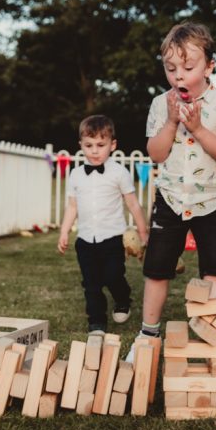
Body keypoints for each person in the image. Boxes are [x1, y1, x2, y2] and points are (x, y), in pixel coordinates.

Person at [137, 22, 216, 341]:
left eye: (187, 66)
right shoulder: (161, 105)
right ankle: (148, 333)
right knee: (156, 269)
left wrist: (198, 129)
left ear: (210, 66)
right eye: (170, 68)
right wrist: (172, 122)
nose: (178, 76)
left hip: (213, 203)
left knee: (215, 271)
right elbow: (155, 152)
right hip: (170, 200)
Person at [58, 115, 149, 334]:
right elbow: (72, 206)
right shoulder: (76, 174)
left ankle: (122, 298)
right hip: (86, 239)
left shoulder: (120, 173)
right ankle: (96, 321)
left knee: (113, 276)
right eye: (89, 146)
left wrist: (143, 231)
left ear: (112, 145)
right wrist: (64, 232)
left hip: (113, 238)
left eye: (101, 145)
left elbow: (133, 205)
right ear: (81, 145)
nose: (95, 151)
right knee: (91, 284)